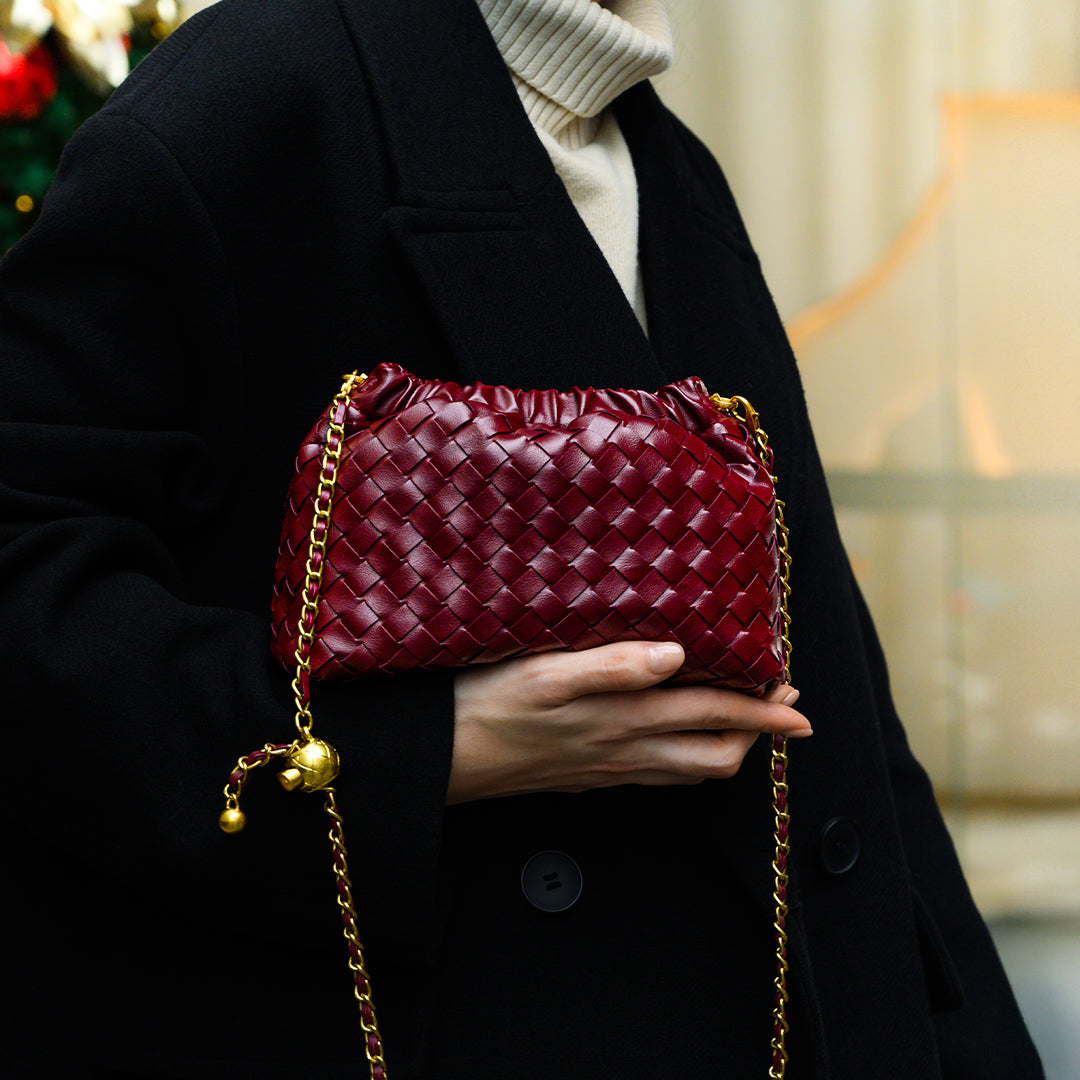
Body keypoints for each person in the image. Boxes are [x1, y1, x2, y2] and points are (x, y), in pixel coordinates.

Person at [1, 0, 1043, 1077]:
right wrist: (416, 753)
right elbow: (26, 590)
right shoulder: (252, 96)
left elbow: (843, 720)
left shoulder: (661, 159)